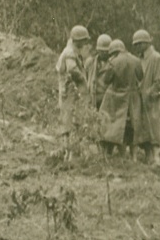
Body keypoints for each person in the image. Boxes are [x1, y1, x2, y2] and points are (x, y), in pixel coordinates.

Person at [98, 39, 142, 158]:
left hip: (117, 98)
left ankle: (117, 155)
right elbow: (140, 76)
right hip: (133, 99)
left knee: (114, 127)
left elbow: (107, 80)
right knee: (133, 127)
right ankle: (134, 157)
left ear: (114, 52)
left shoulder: (113, 62)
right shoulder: (136, 60)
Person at [56, 25, 92, 161]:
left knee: (68, 122)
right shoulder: (70, 52)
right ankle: (71, 154)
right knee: (71, 122)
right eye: (84, 40)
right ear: (78, 40)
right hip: (70, 92)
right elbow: (72, 69)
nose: (85, 43)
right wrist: (83, 79)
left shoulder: (71, 50)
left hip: (68, 91)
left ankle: (69, 154)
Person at [133, 29, 160, 166]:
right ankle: (148, 156)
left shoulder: (156, 58)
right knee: (142, 129)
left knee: (153, 127)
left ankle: (156, 157)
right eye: (135, 45)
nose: (137, 47)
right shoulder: (138, 59)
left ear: (146, 43)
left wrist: (149, 93)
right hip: (140, 100)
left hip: (152, 100)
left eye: (139, 44)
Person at [89, 34, 113, 110]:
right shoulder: (91, 62)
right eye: (102, 51)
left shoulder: (113, 63)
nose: (104, 53)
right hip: (94, 98)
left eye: (106, 51)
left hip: (108, 99)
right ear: (98, 50)